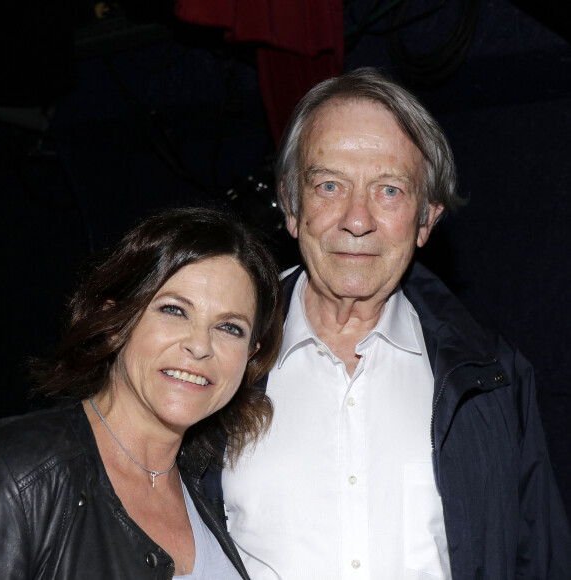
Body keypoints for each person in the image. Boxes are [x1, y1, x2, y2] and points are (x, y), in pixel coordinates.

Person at [212, 68, 571, 578]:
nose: (356, 219)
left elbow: (541, 562)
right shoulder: (213, 357)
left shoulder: (495, 379)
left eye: (389, 191)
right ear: (292, 207)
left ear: (426, 219)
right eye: (330, 185)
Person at [0, 207, 283, 579]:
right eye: (175, 310)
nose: (199, 346)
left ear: (249, 356)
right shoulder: (18, 470)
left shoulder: (211, 492)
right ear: (115, 323)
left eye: (229, 327)